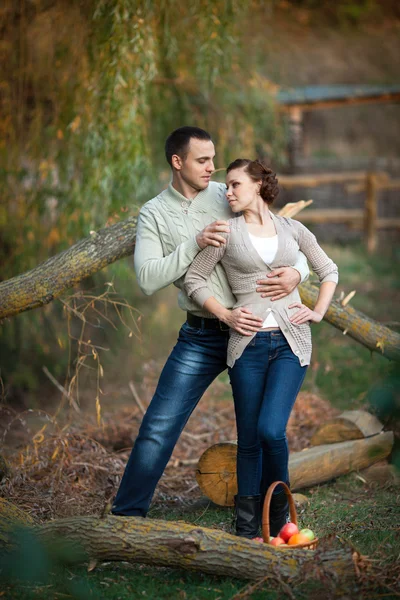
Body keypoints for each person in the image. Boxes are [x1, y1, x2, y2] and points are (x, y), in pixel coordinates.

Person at [112, 127, 310, 518]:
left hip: (255, 336)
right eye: (202, 160)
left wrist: (298, 273)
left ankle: (272, 515)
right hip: (202, 336)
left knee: (261, 432)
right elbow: (149, 278)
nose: (212, 167)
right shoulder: (154, 213)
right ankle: (126, 518)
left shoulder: (227, 193)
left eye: (213, 159)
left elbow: (285, 238)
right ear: (177, 161)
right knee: (158, 427)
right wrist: (195, 243)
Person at [184, 158, 338, 539]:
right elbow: (194, 279)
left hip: (291, 343)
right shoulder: (227, 233)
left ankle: (282, 515)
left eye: (235, 184)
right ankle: (248, 527)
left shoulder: (293, 229)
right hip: (246, 346)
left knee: (272, 430)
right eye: (226, 186)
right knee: (249, 438)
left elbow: (329, 270)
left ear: (258, 184)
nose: (228, 191)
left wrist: (318, 311)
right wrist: (226, 315)